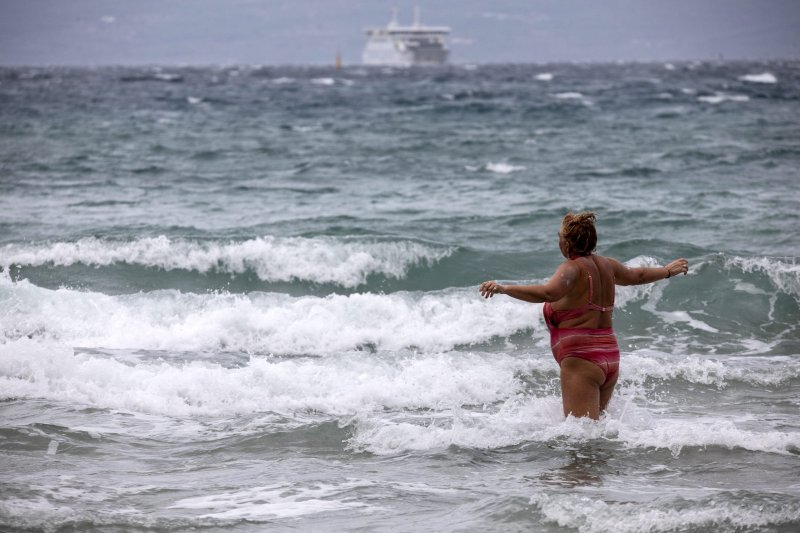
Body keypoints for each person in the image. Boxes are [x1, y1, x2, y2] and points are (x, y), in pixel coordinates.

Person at [479, 212, 689, 420]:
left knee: (581, 440)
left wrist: (504, 288)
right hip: (609, 355)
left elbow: (548, 293)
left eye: (559, 237)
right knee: (594, 437)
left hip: (582, 359)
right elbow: (638, 275)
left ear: (567, 244)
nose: (558, 242)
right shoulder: (608, 264)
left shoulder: (571, 268)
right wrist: (667, 271)